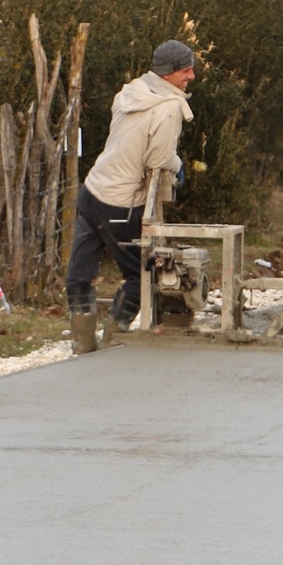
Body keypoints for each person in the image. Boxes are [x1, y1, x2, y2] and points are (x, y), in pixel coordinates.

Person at [65, 40, 197, 353]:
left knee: (79, 274)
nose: (191, 76)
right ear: (168, 73)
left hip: (92, 191)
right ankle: (112, 341)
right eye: (186, 70)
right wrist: (178, 165)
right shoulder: (168, 109)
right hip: (121, 204)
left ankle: (82, 346)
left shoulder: (130, 92)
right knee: (141, 277)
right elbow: (157, 159)